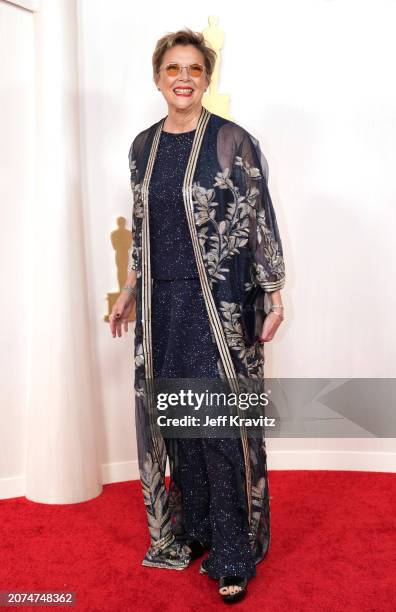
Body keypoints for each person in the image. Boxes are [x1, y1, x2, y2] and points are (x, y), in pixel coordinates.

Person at [109, 28, 286, 605]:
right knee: (180, 425)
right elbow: (143, 229)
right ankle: (196, 532)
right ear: (157, 77)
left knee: (216, 427)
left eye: (193, 69)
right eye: (171, 69)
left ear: (207, 78)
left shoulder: (233, 141)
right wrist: (130, 289)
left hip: (220, 304)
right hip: (163, 305)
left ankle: (233, 553)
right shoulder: (142, 147)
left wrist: (273, 292)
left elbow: (258, 217)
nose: (182, 78)